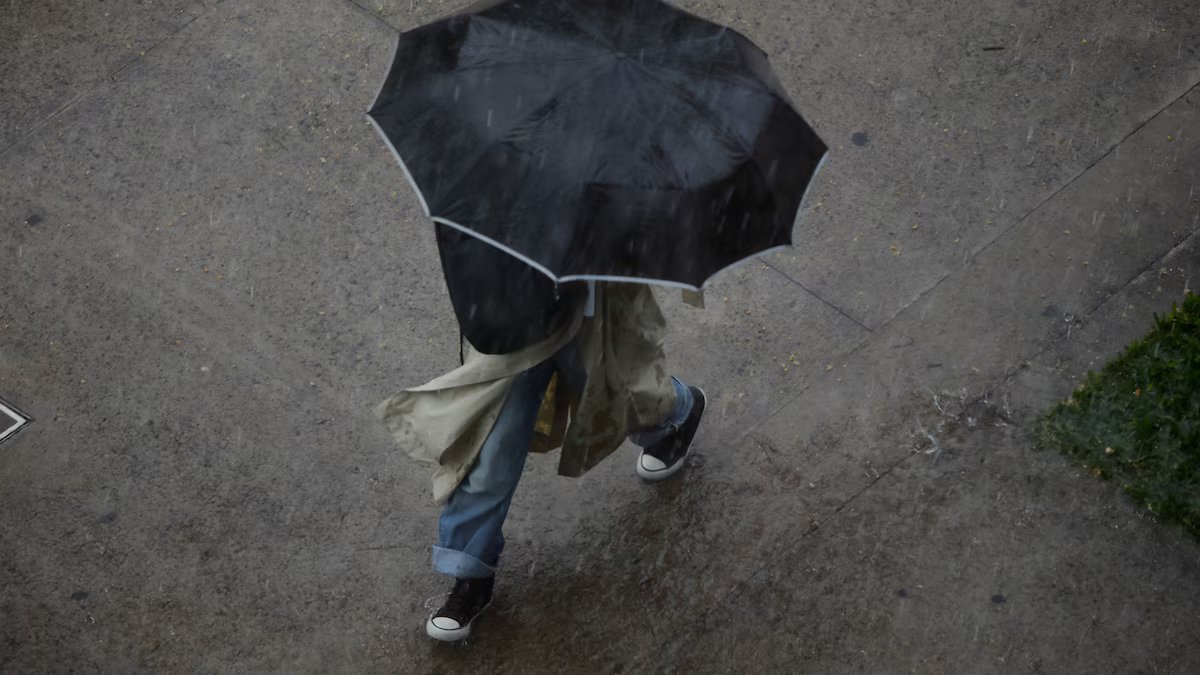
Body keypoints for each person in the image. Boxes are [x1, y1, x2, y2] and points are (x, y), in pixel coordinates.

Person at [375, 278, 706, 642]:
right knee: (492, 446)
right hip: (516, 314)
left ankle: (675, 416)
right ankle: (470, 574)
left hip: (591, 303)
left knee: (620, 396)